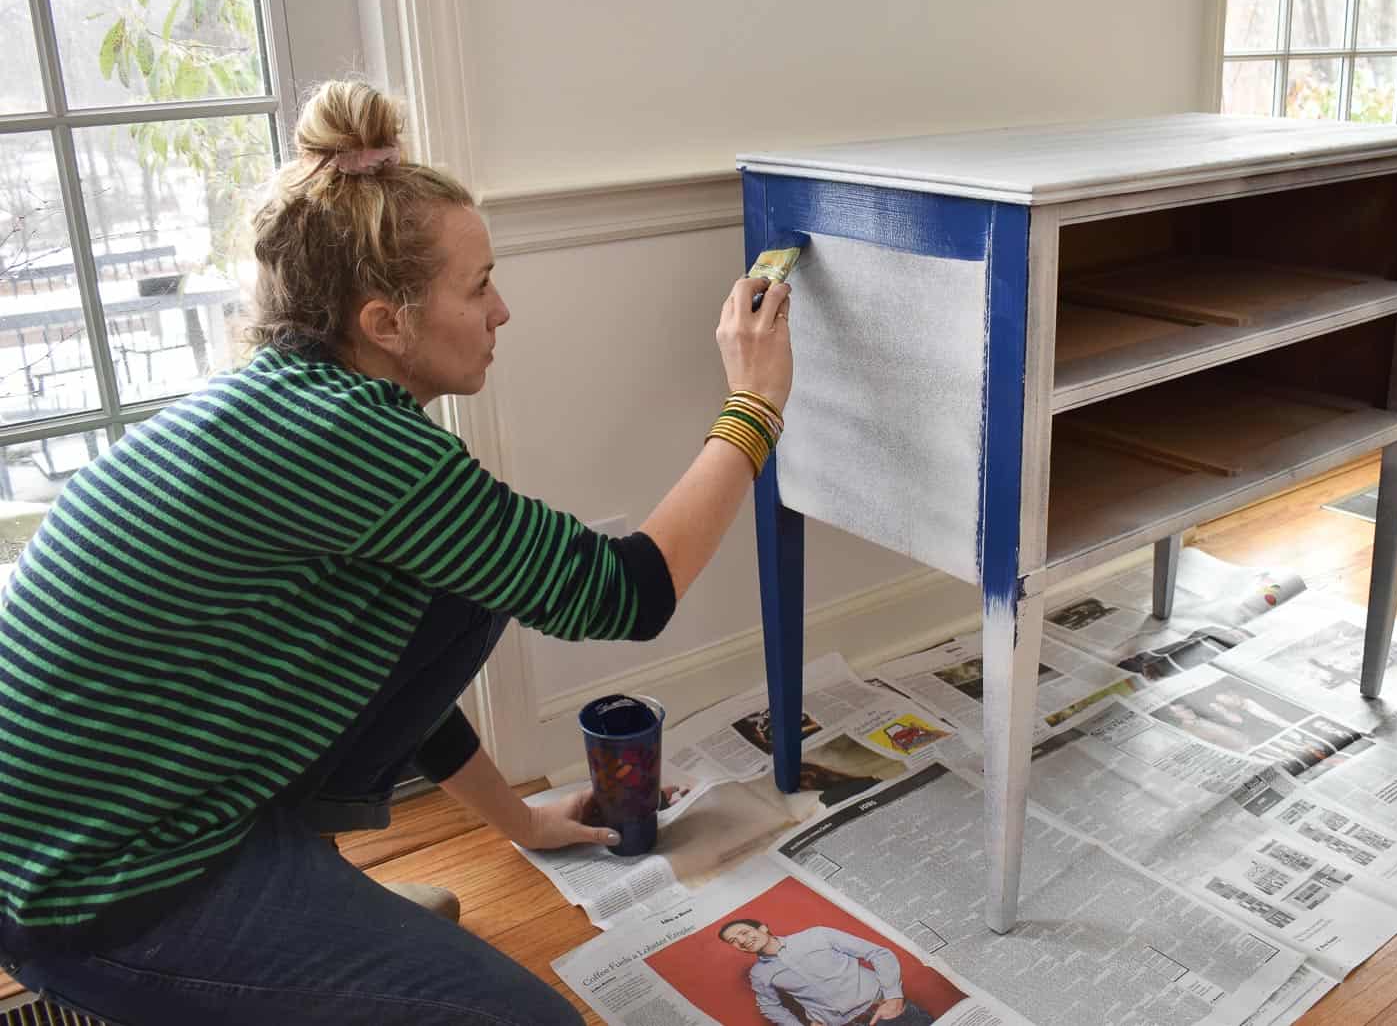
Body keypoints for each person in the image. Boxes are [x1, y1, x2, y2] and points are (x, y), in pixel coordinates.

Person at [0, 80, 793, 1024]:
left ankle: (312, 900)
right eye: (478, 285)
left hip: (160, 804)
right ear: (386, 322)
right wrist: (754, 406)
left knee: (462, 585)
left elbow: (391, 659)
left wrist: (524, 820)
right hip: (95, 891)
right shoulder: (350, 444)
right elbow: (627, 595)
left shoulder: (295, 396)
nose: (502, 311)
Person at [718, 918, 936, 1026]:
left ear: (763, 928)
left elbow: (878, 954)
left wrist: (894, 998)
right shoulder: (759, 974)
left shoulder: (816, 935)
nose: (742, 941)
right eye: (734, 942)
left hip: (889, 1015)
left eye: (744, 933)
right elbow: (769, 1007)